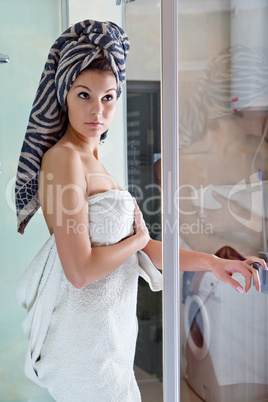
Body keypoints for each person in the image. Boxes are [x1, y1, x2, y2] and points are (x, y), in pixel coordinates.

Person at [15, 21, 267, 401]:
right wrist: (139, 241)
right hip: (84, 344)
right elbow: (80, 271)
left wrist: (214, 263)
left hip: (108, 336)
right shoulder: (64, 159)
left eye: (109, 97)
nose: (98, 110)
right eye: (84, 95)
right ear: (64, 93)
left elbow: (143, 248)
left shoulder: (92, 160)